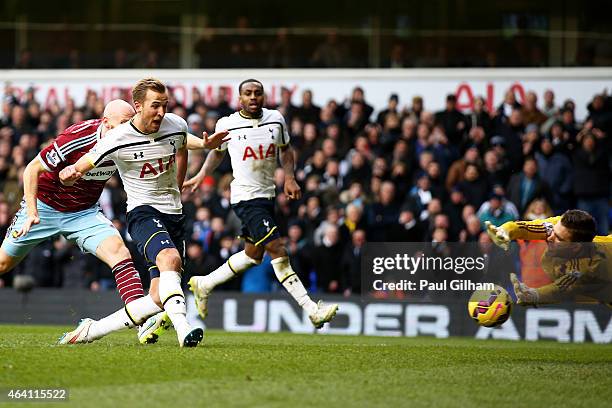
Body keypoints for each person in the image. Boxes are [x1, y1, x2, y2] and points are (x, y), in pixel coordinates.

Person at [60, 78, 228, 347]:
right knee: (170, 258)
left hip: (173, 212)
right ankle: (185, 329)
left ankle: (92, 330)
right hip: (142, 212)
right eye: (155, 106)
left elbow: (184, 143)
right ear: (138, 107)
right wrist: (72, 172)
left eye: (165, 106)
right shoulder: (119, 137)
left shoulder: (176, 124)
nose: (161, 113)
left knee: (158, 297)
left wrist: (200, 154)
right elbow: (88, 160)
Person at [0, 100, 176, 345]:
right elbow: (31, 169)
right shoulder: (78, 136)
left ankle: (142, 318)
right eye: (123, 124)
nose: (128, 129)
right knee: (3, 263)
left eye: (131, 123)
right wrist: (31, 211)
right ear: (106, 122)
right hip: (44, 207)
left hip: (83, 214)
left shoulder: (129, 141)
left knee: (119, 252)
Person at [183, 78, 338, 329]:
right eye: (248, 93)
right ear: (240, 99)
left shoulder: (276, 119)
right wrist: (201, 175)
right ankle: (312, 309)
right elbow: (218, 151)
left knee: (253, 255)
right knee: (277, 249)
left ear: (263, 97)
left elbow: (285, 150)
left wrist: (289, 176)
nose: (253, 97)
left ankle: (205, 284)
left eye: (258, 93)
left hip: (267, 196)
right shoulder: (228, 124)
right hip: (245, 197)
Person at [485, 209, 612, 306]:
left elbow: (560, 289)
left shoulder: (589, 267)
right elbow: (529, 227)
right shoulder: (562, 226)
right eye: (553, 232)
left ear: (576, 247)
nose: (550, 238)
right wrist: (504, 231)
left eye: (559, 239)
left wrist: (534, 295)